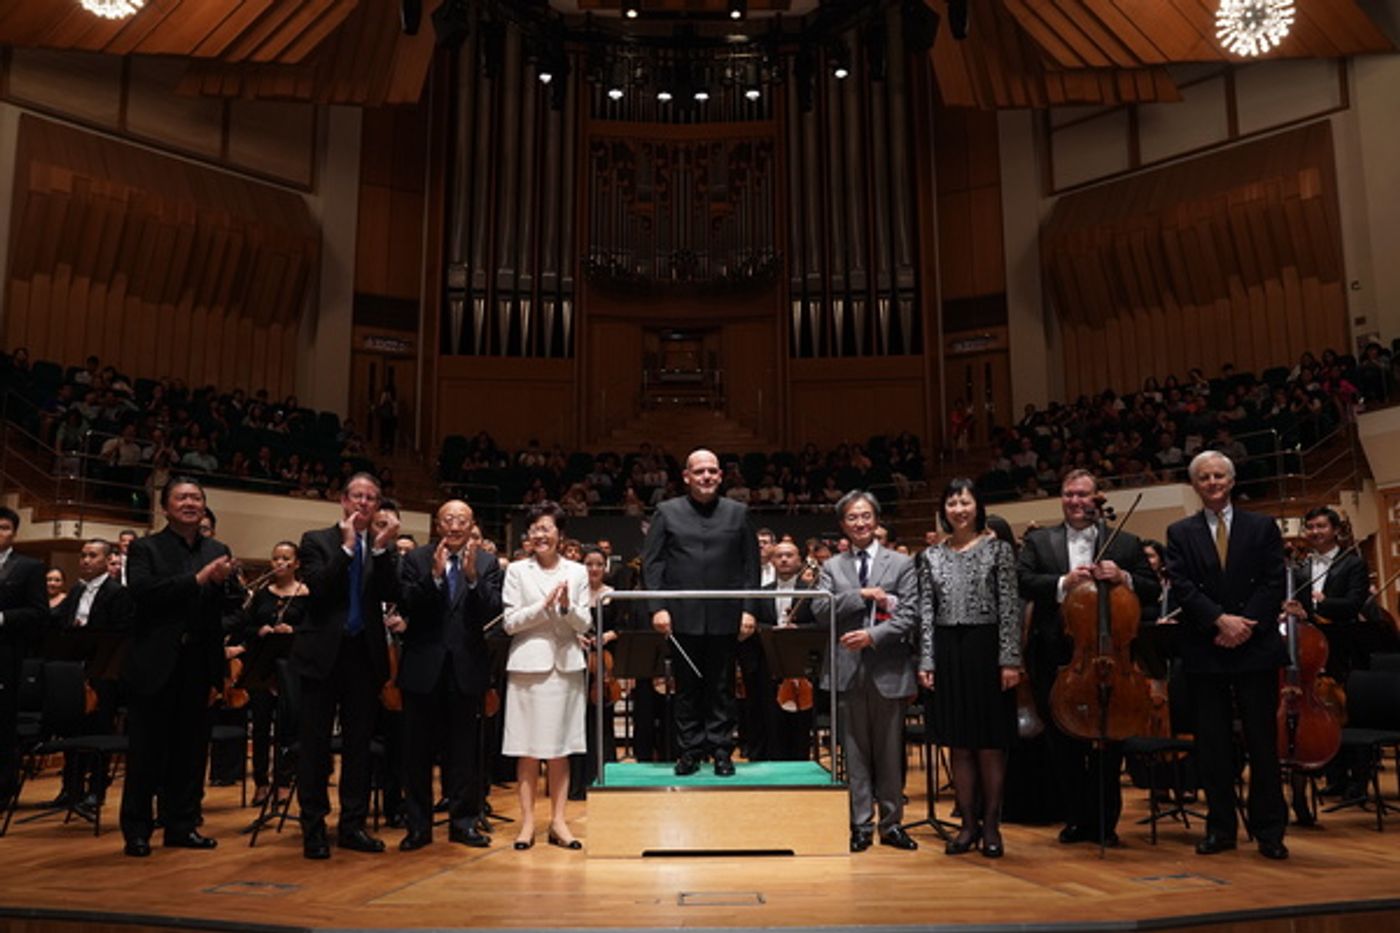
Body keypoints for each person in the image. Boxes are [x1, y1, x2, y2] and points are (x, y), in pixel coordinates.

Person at [1016, 469, 1159, 847]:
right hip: (1056, 657)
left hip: (1109, 659)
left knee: (1108, 742)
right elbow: (1022, 580)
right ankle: (1076, 819)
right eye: (1069, 494)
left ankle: (1105, 823)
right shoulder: (1039, 541)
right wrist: (1063, 582)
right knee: (1062, 743)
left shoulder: (1125, 543)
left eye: (1082, 494)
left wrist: (1124, 576)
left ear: (1097, 498)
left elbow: (1152, 589)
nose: (1075, 501)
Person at [1166, 451, 1288, 860]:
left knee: (1263, 744)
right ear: (1195, 485)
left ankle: (1270, 831)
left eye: (1219, 475)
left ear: (1232, 481)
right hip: (1207, 648)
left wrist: (1243, 625)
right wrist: (1219, 621)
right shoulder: (1179, 532)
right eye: (1204, 477)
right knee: (1213, 746)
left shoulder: (1262, 526)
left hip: (1255, 646)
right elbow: (1182, 586)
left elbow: (1273, 582)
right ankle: (1220, 829)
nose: (1213, 482)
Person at [119, 478, 237, 857]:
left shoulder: (217, 549)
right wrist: (198, 579)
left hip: (198, 662)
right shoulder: (145, 548)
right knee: (146, 752)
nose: (190, 503)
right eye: (182, 497)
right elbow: (144, 594)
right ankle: (137, 830)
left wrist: (224, 584)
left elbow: (227, 608)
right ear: (165, 507)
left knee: (190, 751)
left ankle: (182, 826)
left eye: (197, 498)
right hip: (156, 661)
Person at [293, 472, 401, 859]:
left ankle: (352, 825)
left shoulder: (381, 547)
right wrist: (347, 548)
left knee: (359, 747)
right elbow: (319, 588)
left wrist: (381, 551)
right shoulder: (316, 540)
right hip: (321, 656)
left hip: (363, 656)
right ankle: (313, 827)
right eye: (357, 496)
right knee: (315, 747)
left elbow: (391, 592)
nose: (364, 503)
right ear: (343, 500)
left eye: (371, 498)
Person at [918, 480, 1022, 858]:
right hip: (947, 651)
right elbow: (926, 611)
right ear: (943, 509)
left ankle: (992, 824)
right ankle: (967, 825)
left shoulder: (999, 550)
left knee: (990, 744)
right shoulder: (930, 555)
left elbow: (1010, 607)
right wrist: (926, 659)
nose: (959, 510)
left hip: (987, 649)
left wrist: (1010, 659)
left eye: (965, 502)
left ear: (978, 506)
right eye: (952, 503)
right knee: (959, 744)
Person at [642, 448, 760, 777]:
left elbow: (751, 566)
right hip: (681, 615)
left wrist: (749, 610)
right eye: (699, 471)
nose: (706, 476)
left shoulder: (738, 513)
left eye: (711, 471)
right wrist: (657, 607)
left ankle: (721, 751)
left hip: (726, 615)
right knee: (687, 688)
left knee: (722, 687)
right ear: (686, 477)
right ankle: (690, 751)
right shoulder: (666, 512)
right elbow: (653, 563)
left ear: (720, 476)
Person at [815, 490, 919, 853]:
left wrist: (872, 636)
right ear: (843, 525)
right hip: (846, 670)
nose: (860, 523)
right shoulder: (831, 566)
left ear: (876, 520)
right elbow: (820, 609)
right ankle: (860, 824)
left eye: (865, 516)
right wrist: (860, 594)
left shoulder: (902, 563)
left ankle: (892, 824)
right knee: (854, 753)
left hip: (888, 668)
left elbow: (910, 614)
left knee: (890, 752)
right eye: (852, 518)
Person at [396, 499, 501, 850]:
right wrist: (435, 578)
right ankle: (418, 827)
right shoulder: (416, 559)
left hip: (466, 669)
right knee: (416, 753)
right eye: (448, 520)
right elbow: (408, 603)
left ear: (471, 525)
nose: (455, 526)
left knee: (463, 753)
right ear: (437, 525)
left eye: (462, 520)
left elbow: (492, 610)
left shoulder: (486, 562)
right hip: (422, 668)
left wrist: (471, 579)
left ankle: (464, 823)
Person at [501, 502, 590, 849]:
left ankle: (558, 822)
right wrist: (543, 607)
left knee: (560, 749)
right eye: (535, 528)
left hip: (565, 667)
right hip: (528, 667)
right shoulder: (517, 571)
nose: (540, 534)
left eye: (546, 528)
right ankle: (527, 824)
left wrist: (566, 607)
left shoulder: (577, 572)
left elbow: (585, 623)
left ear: (560, 534)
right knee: (526, 749)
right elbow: (510, 623)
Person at [52, 538, 133, 813]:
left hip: (103, 670)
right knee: (71, 729)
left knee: (100, 730)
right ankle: (70, 788)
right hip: (75, 669)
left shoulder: (117, 593)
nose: (85, 560)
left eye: (92, 556)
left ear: (107, 561)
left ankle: (96, 790)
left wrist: (85, 633)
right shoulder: (76, 590)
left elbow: (120, 632)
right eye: (83, 555)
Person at [240, 541, 306, 807]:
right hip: (263, 668)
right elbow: (244, 627)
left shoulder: (307, 594)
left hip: (293, 668)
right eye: (276, 558)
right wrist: (260, 630)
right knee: (260, 726)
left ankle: (284, 781)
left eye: (286, 558)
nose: (280, 562)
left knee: (290, 726)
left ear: (297, 563)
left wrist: (294, 632)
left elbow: (314, 630)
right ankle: (261, 782)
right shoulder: (261, 594)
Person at [751, 540, 817, 761]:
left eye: (789, 555)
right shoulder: (763, 592)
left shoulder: (812, 591)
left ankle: (801, 763)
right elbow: (755, 623)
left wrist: (798, 630)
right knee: (771, 719)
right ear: (772, 561)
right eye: (779, 556)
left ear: (799, 560)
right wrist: (772, 631)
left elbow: (821, 625)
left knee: (801, 723)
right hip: (771, 664)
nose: (784, 559)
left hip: (801, 665)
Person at [0, 506, 47, 807]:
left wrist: (2, 618)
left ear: (14, 533)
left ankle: (4, 788)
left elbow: (38, 613)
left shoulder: (29, 567)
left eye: (4, 528)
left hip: (7, 654)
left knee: (3, 724)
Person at [570, 547, 620, 799]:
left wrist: (607, 636)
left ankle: (603, 775)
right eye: (589, 564)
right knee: (577, 720)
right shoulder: (574, 594)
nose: (594, 569)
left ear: (605, 567)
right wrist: (576, 636)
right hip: (576, 660)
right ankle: (578, 782)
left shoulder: (612, 594)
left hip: (603, 664)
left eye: (599, 564)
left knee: (603, 719)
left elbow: (622, 626)